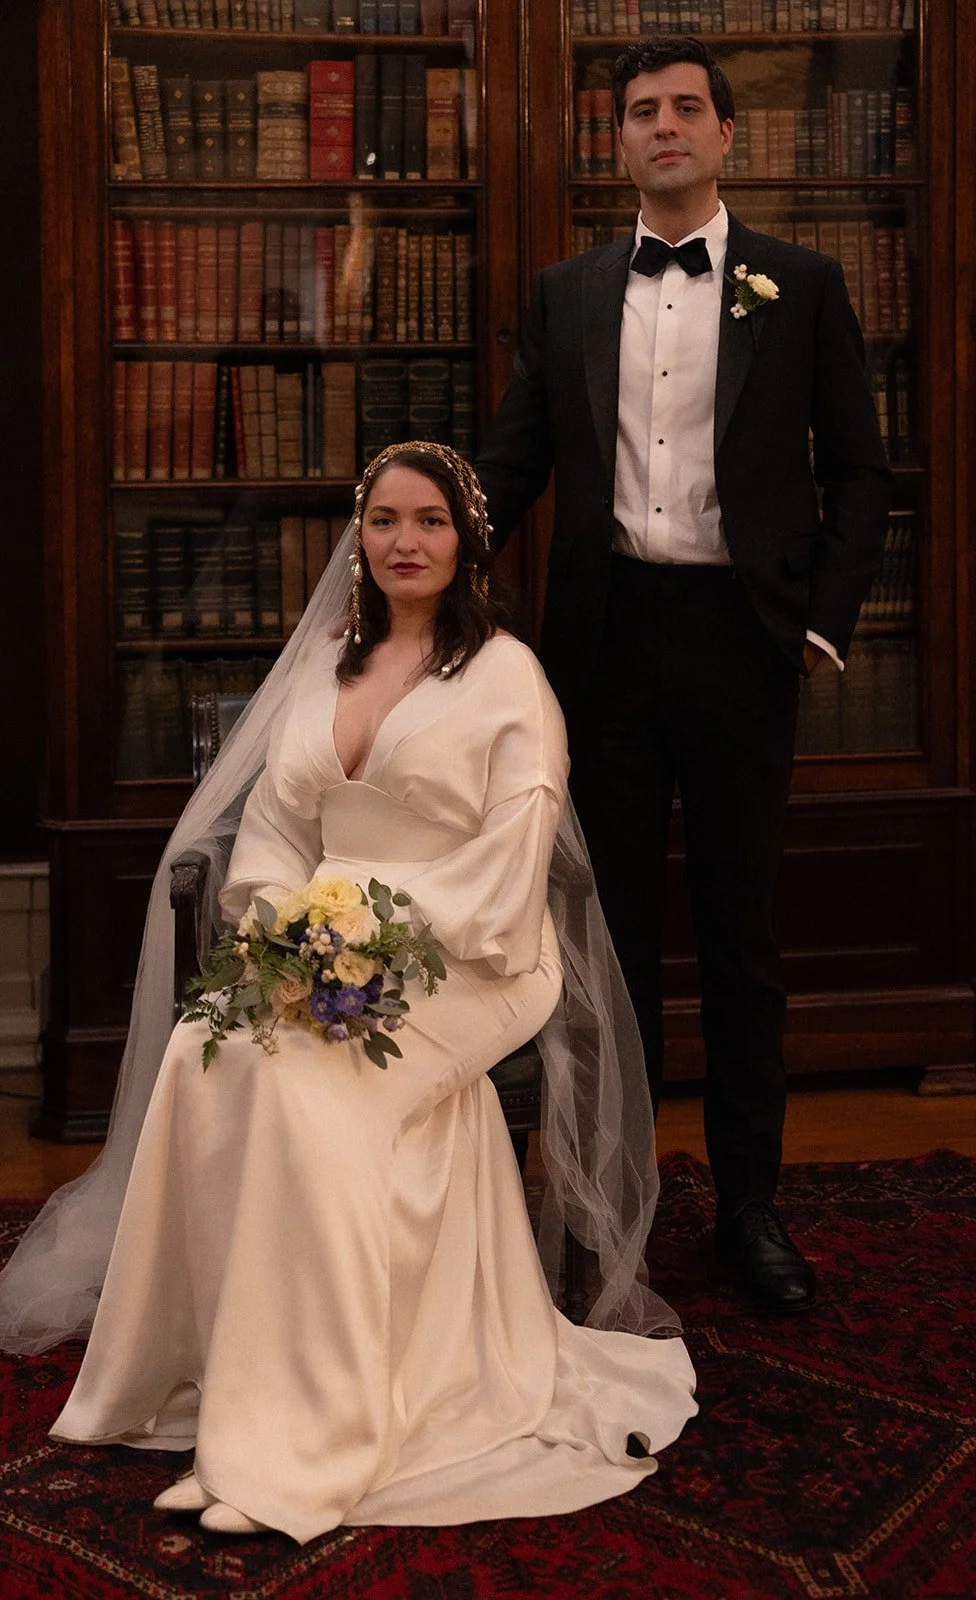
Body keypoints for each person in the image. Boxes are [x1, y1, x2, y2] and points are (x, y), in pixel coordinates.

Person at [0, 443, 696, 1542]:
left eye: (428, 521)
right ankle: (221, 1395)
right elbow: (276, 828)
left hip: (472, 957)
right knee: (206, 1056)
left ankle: (301, 1441)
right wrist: (288, 935)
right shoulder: (327, 658)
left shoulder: (507, 673)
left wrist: (378, 936)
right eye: (382, 520)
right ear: (358, 536)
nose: (403, 542)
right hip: (320, 946)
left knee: (312, 1097)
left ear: (466, 541)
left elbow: (511, 861)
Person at [475, 36, 892, 1315]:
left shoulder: (802, 284)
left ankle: (751, 1204)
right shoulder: (567, 290)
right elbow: (519, 460)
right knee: (609, 945)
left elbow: (861, 472)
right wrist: (419, 564)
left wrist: (818, 624)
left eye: (686, 110)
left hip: (742, 645)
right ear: (617, 141)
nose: (665, 127)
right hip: (602, 651)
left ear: (726, 138)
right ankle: (620, 1206)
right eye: (642, 112)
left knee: (740, 936)